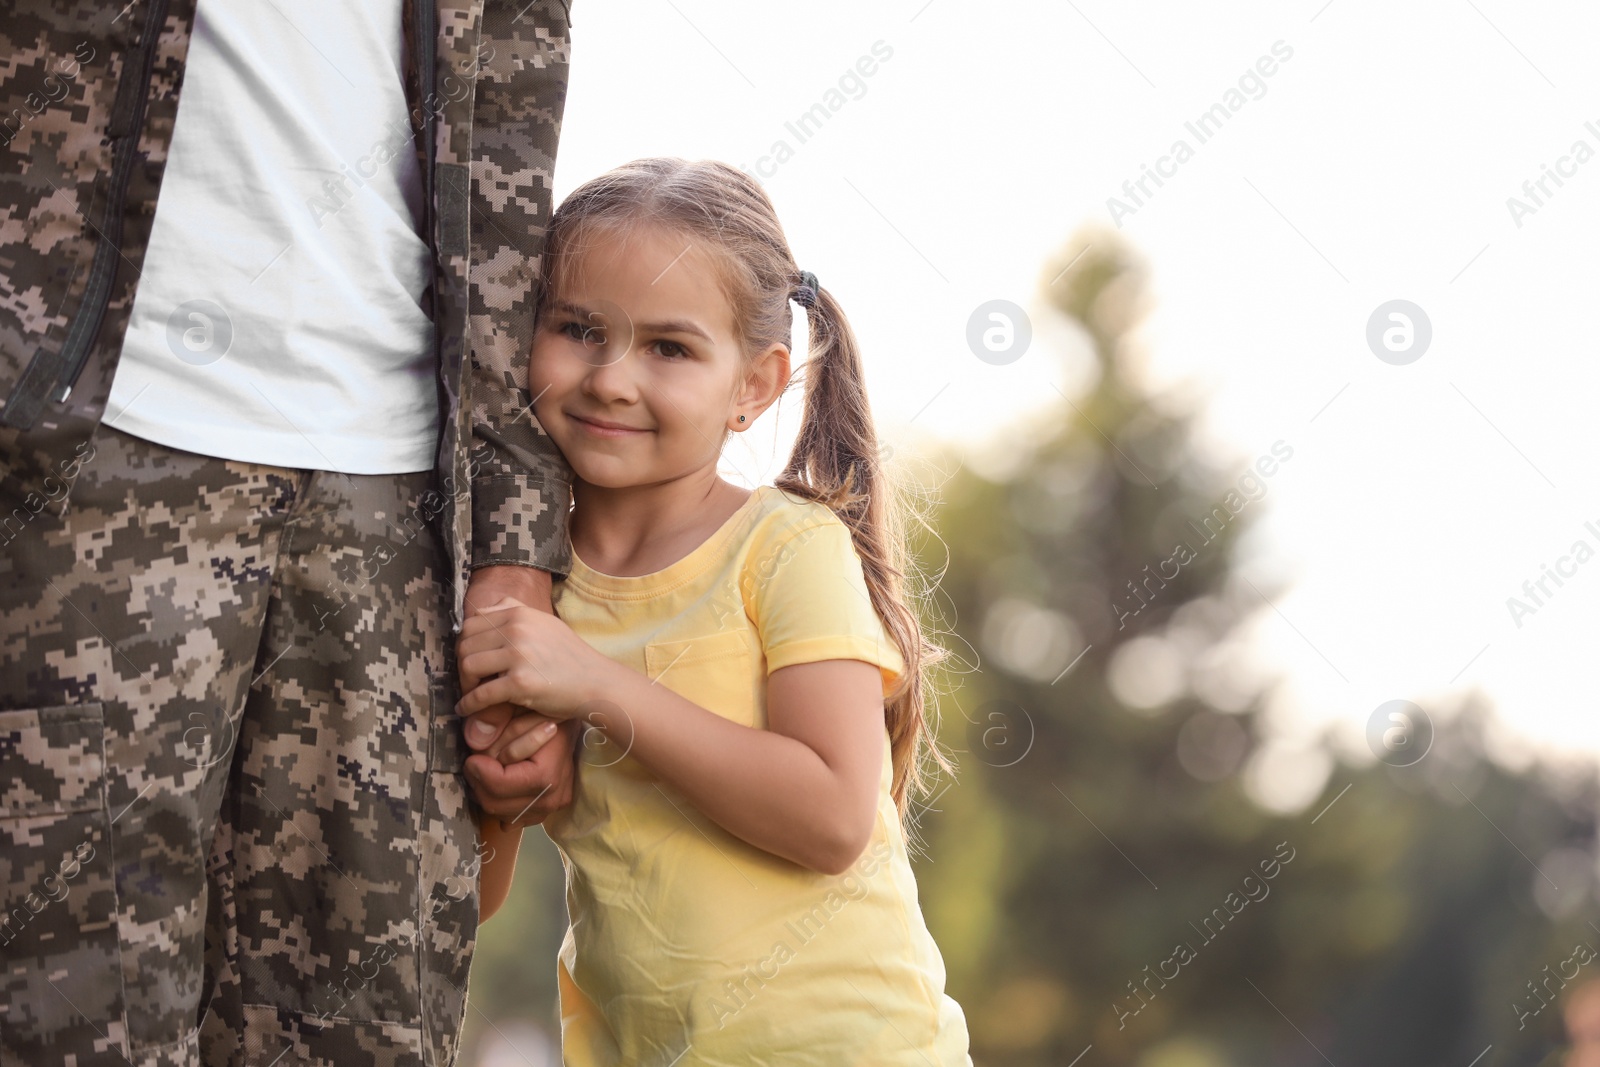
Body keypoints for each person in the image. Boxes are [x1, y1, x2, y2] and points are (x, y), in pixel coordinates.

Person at [0, 3, 579, 1064]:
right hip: (84, 447)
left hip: (397, 493)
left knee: (364, 1034)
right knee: (64, 1025)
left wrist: (512, 536)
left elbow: (508, 115)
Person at [457, 156, 974, 1065]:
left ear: (754, 385)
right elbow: (479, 898)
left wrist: (592, 685)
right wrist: (505, 805)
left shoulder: (786, 547)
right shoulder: (527, 592)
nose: (612, 378)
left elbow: (832, 816)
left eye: (669, 348)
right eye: (579, 329)